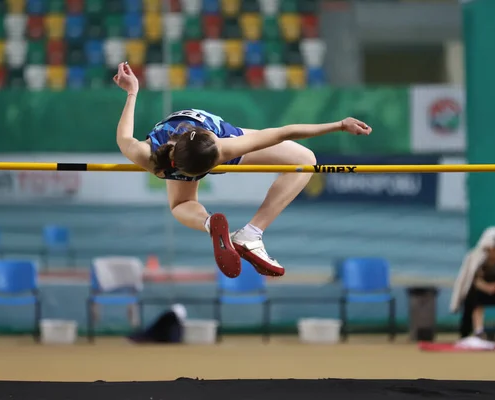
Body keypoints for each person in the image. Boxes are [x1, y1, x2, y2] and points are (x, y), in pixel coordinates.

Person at [112, 62, 372, 278]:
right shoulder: (225, 147)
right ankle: (251, 233)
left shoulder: (148, 156)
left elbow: (124, 138)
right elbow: (284, 132)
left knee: (181, 204)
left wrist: (132, 91)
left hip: (192, 155)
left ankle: (210, 223)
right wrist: (338, 123)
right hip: (209, 152)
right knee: (305, 159)